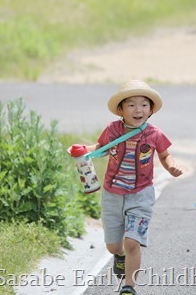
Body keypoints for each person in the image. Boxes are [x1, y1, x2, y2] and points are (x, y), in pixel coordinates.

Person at [70, 80, 183, 295]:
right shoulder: (113, 130)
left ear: (150, 110)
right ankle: (119, 256)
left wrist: (171, 167)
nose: (138, 109)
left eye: (143, 104)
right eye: (131, 105)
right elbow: (102, 148)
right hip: (112, 194)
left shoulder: (154, 134)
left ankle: (129, 286)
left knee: (132, 242)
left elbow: (165, 154)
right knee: (114, 246)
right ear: (120, 110)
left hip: (141, 195)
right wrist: (82, 150)